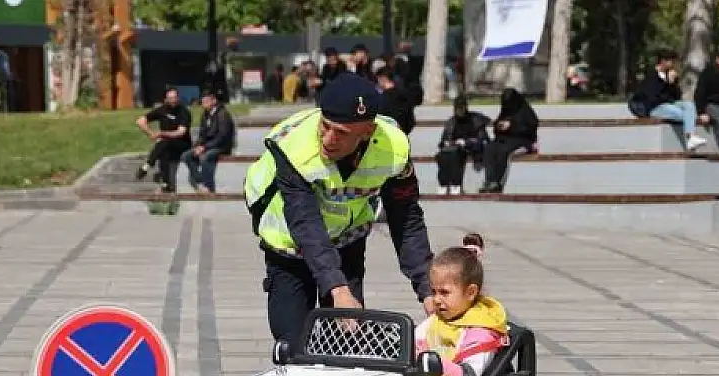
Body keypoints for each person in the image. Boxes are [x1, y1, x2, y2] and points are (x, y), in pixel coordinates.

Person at [243, 72, 435, 346]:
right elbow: (305, 223)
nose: (329, 139)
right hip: (289, 246)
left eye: (342, 133)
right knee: (293, 343)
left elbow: (406, 218)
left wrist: (428, 288)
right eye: (325, 125)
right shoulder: (293, 146)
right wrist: (337, 288)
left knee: (346, 342)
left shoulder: (394, 148)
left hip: (347, 241)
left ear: (367, 131)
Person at [415, 233, 508, 376]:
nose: (437, 299)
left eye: (445, 293)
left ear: (471, 292)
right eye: (434, 292)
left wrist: (432, 360)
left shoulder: (480, 330)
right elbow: (414, 340)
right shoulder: (436, 320)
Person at [629, 49, 708, 152]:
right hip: (655, 108)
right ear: (663, 61)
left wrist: (672, 84)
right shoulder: (652, 75)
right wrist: (666, 83)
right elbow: (653, 98)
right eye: (672, 61)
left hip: (669, 104)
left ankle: (691, 138)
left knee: (688, 105)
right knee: (683, 114)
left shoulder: (670, 74)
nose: (673, 64)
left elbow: (677, 96)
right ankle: (690, 137)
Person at [479, 88, 539, 193]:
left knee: (504, 151)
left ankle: (498, 182)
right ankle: (489, 180)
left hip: (522, 141)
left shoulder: (525, 111)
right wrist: (499, 126)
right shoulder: (505, 111)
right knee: (489, 148)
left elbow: (530, 128)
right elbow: (496, 127)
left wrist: (511, 126)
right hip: (504, 139)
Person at [135, 87, 192, 193]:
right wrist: (151, 133)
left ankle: (147, 165)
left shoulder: (184, 112)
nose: (173, 101)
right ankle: (165, 184)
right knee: (164, 150)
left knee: (164, 142)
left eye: (175, 98)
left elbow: (181, 132)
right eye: (170, 98)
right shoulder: (162, 110)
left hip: (182, 143)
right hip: (166, 144)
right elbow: (140, 121)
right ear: (165, 99)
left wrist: (161, 134)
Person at [182, 87, 234, 194]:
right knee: (186, 155)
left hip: (221, 146)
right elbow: (202, 134)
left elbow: (222, 137)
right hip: (208, 145)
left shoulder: (223, 114)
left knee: (207, 157)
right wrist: (197, 146)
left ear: (214, 101)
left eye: (206, 101)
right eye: (203, 101)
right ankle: (199, 179)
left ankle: (209, 186)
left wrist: (204, 147)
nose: (203, 104)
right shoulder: (205, 115)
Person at [434, 96, 490, 194]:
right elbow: (442, 141)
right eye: (457, 109)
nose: (459, 111)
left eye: (461, 108)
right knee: (442, 155)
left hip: (471, 148)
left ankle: (456, 184)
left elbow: (483, 139)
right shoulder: (451, 122)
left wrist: (466, 142)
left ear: (465, 107)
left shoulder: (475, 120)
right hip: (453, 148)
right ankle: (443, 183)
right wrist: (446, 143)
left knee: (455, 155)